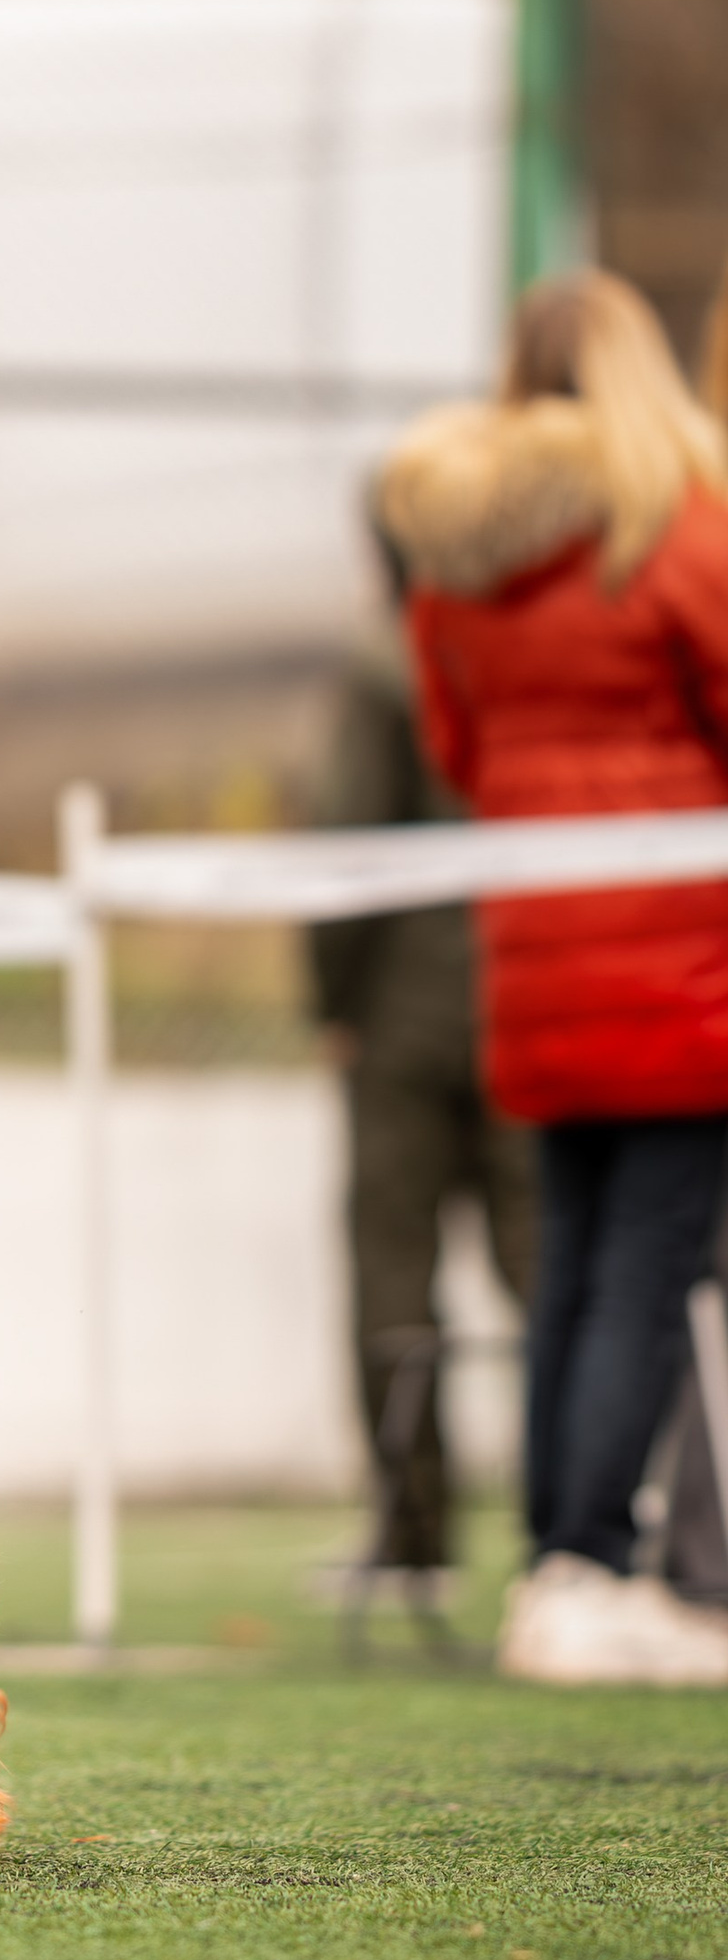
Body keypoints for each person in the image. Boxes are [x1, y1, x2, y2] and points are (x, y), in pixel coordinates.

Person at [379, 270, 728, 1686]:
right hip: (683, 959)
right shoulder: (677, 530)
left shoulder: (457, 562)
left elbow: (460, 749)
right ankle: (592, 1566)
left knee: (574, 1273)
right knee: (644, 1276)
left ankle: (555, 1562)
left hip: (532, 955)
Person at [305, 529, 534, 1640]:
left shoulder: (387, 663)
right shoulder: (541, 656)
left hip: (399, 1017)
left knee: (393, 1273)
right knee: (555, 1273)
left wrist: (330, 1000)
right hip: (534, 1000)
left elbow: (344, 843)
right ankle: (579, 1536)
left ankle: (414, 1537)